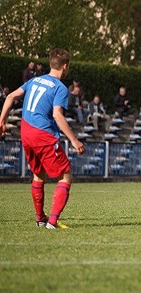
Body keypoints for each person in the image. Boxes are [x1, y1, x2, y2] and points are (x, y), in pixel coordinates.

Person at [0, 48, 86, 229]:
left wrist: (1, 121)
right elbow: (57, 115)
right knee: (65, 176)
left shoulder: (34, 80)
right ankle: (52, 222)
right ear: (65, 66)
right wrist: (74, 140)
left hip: (26, 132)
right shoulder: (61, 88)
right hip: (42, 134)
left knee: (39, 174)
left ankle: (40, 219)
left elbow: (10, 97)